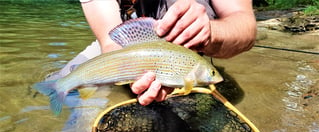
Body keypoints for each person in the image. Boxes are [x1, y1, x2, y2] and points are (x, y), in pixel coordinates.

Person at [52, 0, 256, 105]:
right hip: (129, 48)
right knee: (60, 84)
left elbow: (244, 23)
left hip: (189, 52)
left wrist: (210, 32)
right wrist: (130, 71)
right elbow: (110, 42)